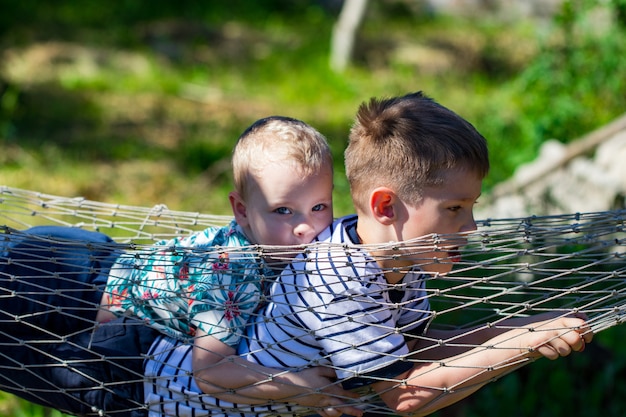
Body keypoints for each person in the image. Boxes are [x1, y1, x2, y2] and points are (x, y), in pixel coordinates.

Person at [144, 91, 593, 416]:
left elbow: (415, 352)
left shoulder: (403, 255)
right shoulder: (334, 275)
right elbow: (407, 395)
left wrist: (514, 326)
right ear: (385, 208)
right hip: (156, 392)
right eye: (455, 209)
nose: (470, 228)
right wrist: (523, 344)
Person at [0, 116, 363, 417]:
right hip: (60, 283)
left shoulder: (302, 245)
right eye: (283, 210)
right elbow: (211, 372)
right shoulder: (231, 273)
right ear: (242, 211)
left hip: (93, 263)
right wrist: (300, 390)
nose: (306, 227)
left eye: (319, 207)